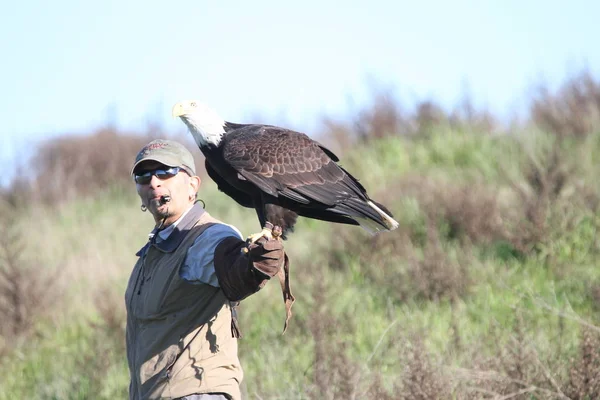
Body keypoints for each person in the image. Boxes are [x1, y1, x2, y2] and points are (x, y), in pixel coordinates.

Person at [125, 139, 285, 400]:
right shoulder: (155, 248)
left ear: (193, 185)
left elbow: (230, 266)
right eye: (143, 176)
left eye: (166, 172)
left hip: (197, 392)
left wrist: (250, 266)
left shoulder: (205, 236)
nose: (154, 182)